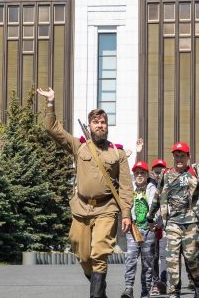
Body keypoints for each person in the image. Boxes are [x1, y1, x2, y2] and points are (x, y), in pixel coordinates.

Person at [37, 87, 132, 298]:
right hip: (81, 208)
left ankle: (96, 295)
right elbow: (52, 128)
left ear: (107, 126)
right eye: (96, 122)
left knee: (99, 252)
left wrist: (126, 213)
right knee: (82, 253)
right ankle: (100, 288)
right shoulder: (79, 147)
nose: (100, 126)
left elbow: (126, 186)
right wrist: (51, 102)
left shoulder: (118, 153)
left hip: (106, 208)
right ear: (89, 126)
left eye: (103, 122)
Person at [147, 130, 199, 298]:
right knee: (171, 259)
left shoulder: (195, 171)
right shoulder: (166, 175)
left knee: (192, 258)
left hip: (192, 223)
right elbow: (157, 196)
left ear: (188, 157)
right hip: (173, 223)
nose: (179, 159)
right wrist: (151, 216)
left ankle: (198, 283)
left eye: (182, 156)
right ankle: (174, 291)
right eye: (176, 156)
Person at [122, 161, 158, 298]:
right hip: (134, 229)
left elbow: (156, 206)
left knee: (147, 264)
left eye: (142, 173)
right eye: (137, 173)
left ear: (147, 174)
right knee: (130, 259)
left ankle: (145, 292)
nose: (139, 175)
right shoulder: (130, 189)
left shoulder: (152, 188)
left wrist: (154, 221)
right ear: (134, 175)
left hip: (148, 230)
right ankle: (128, 289)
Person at [149, 159, 169, 295]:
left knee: (164, 255)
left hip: (165, 225)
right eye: (157, 171)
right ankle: (155, 283)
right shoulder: (148, 184)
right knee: (153, 256)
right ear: (152, 172)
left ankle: (163, 283)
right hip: (151, 225)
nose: (159, 173)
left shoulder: (169, 184)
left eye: (162, 171)